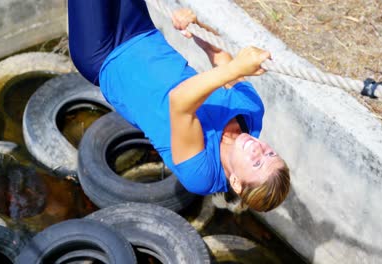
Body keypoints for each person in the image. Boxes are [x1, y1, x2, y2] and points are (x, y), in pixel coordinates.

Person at [67, 0, 290, 212]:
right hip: (141, 31)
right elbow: (219, 55)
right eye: (270, 153)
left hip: (104, 56)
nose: (259, 149)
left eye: (257, 163)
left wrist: (237, 69)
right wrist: (197, 27)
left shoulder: (201, 175)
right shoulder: (251, 110)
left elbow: (180, 102)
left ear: (236, 183)